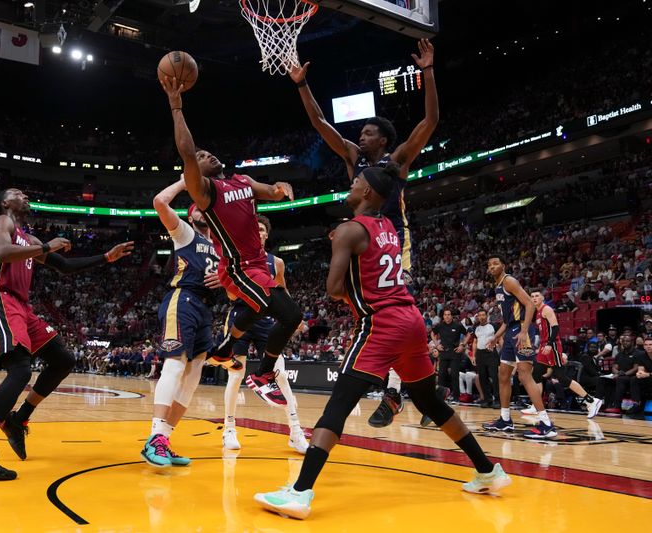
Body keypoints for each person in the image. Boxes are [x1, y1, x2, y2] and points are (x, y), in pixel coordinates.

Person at [254, 166, 510, 520]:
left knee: (338, 406)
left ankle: (299, 492)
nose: (351, 183)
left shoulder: (348, 230)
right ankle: (488, 471)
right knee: (430, 402)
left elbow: (332, 288)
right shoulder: (387, 227)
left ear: (369, 193)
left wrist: (349, 271)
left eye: (357, 182)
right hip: (412, 320)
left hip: (381, 324)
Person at [289, 39, 438, 425]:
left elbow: (429, 123)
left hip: (391, 241)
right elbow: (321, 124)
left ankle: (392, 392)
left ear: (384, 140)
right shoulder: (353, 158)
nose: (362, 136)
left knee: (389, 309)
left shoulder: (398, 160)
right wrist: (302, 85)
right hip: (360, 241)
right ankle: (398, 386)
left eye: (369, 132)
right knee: (367, 314)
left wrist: (428, 71)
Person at [0, 188, 133, 481]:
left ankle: (19, 418)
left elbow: (64, 267)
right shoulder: (2, 223)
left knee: (63, 359)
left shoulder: (31, 239)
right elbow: (0, 253)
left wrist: (106, 257)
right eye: (16, 193)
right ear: (4, 202)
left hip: (22, 306)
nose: (23, 195)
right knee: (20, 370)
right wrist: (47, 247)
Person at [161, 76, 303, 407]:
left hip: (258, 264)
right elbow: (186, 151)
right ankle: (263, 374)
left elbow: (271, 192)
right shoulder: (206, 192)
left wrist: (281, 187)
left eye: (208, 152)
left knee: (269, 310)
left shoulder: (243, 180)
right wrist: (176, 104)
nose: (206, 154)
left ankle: (226, 347)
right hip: (238, 268)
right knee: (282, 312)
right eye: (201, 156)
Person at [141, 179, 223, 468]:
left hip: (206, 309)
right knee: (175, 366)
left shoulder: (221, 246)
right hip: (183, 299)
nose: (202, 208)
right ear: (191, 215)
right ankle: (154, 436)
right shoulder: (186, 234)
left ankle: (163, 437)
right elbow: (159, 203)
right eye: (197, 206)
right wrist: (182, 182)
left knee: (193, 376)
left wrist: (225, 280)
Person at [218, 215, 309, 453]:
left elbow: (283, 292)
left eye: (261, 229)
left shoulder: (276, 262)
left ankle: (295, 431)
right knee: (236, 375)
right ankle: (229, 429)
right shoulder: (239, 260)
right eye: (254, 229)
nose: (258, 232)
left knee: (280, 374)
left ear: (267, 234)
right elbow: (230, 296)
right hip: (241, 316)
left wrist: (294, 318)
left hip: (266, 320)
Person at [482, 255, 556, 439]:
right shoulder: (498, 287)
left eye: (496, 263)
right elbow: (507, 321)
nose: (492, 267)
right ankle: (505, 420)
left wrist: (524, 331)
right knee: (503, 375)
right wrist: (495, 337)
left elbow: (530, 304)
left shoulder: (509, 281)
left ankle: (546, 423)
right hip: (510, 332)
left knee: (524, 375)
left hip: (522, 330)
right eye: (489, 265)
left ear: (503, 265)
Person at [523, 289, 603, 418]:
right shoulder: (537, 312)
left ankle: (592, 400)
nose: (534, 298)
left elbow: (555, 327)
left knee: (562, 378)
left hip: (552, 345)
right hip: (544, 346)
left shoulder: (547, 309)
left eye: (537, 296)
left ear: (543, 298)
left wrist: (549, 344)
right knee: (536, 374)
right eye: (532, 296)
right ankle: (536, 405)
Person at [432, 308, 467, 402]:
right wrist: (436, 344)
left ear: (452, 316)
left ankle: (456, 397)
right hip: (443, 352)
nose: (447, 316)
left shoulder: (458, 325)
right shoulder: (440, 325)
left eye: (448, 314)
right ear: (443, 316)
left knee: (454, 375)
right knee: (441, 375)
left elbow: (468, 334)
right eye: (445, 315)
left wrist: (462, 345)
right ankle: (440, 397)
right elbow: (432, 333)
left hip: (455, 353)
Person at [472, 309, 499, 407]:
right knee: (483, 378)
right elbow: (475, 342)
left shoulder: (493, 326)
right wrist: (473, 356)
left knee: (494, 377)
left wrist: (502, 352)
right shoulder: (476, 327)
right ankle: (488, 400)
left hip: (491, 353)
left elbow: (500, 339)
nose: (482, 317)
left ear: (486, 316)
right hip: (480, 354)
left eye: (483, 315)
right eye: (480, 315)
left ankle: (497, 400)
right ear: (478, 317)